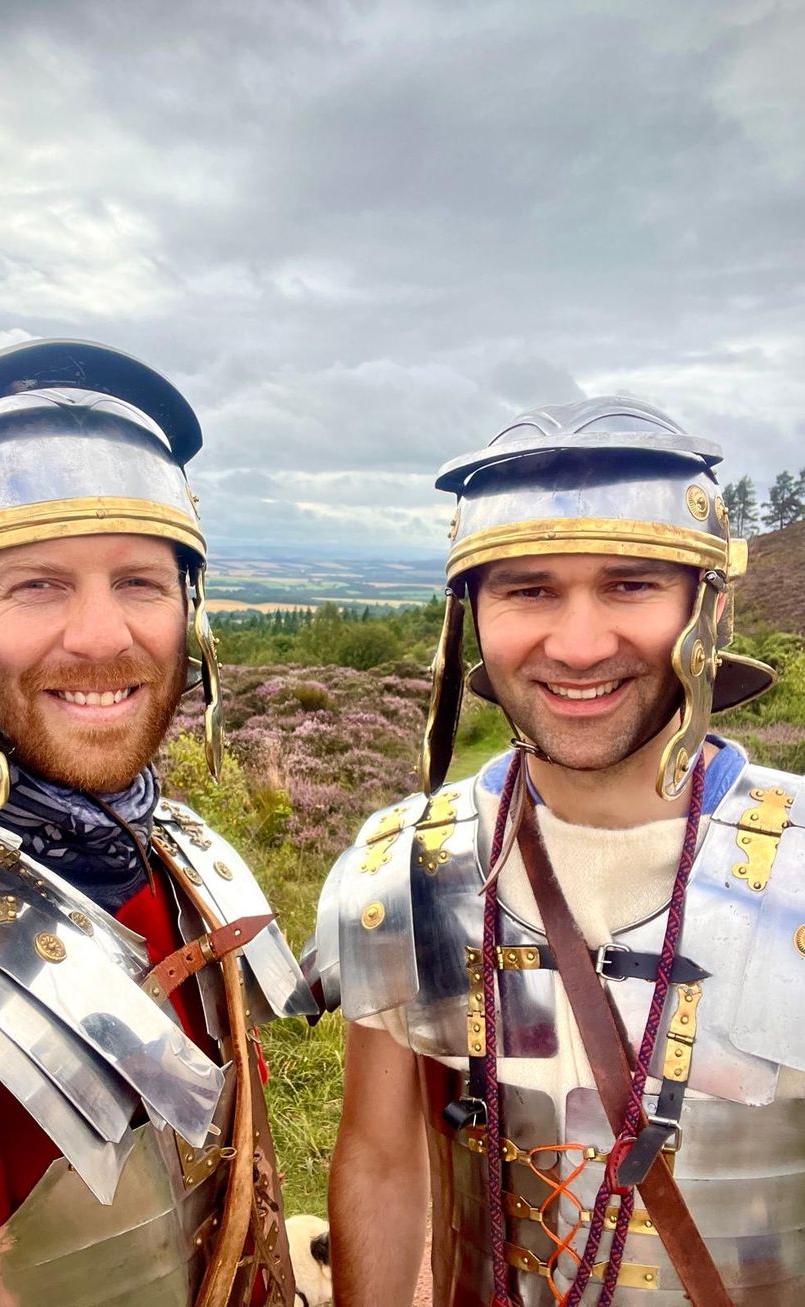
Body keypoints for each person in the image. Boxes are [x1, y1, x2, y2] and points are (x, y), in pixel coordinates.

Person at [0, 339, 316, 1306]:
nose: (102, 636)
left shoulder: (180, 859)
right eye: (38, 584)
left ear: (193, 613)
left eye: (140, 580)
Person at [313, 398, 805, 1306]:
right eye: (529, 589)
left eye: (630, 584)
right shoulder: (401, 873)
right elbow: (381, 1164)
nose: (578, 646)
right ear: (470, 615)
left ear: (712, 612)